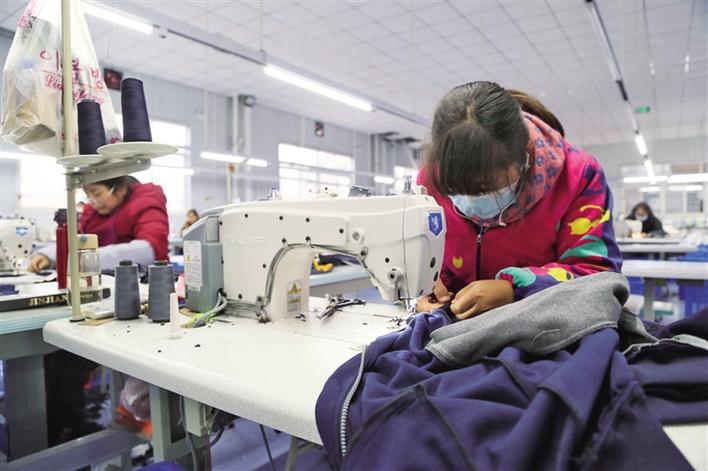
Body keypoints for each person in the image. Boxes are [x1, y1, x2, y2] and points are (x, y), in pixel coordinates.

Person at [416, 82, 622, 319]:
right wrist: (426, 281)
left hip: (544, 323)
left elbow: (597, 274)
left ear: (525, 155)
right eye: (455, 188)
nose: (469, 202)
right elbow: (422, 250)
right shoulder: (432, 178)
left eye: (486, 187)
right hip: (458, 324)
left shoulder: (578, 177)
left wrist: (514, 289)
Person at [28, 175, 169, 272]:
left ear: (120, 189)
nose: (92, 201)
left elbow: (149, 250)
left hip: (145, 282)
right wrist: (49, 255)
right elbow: (80, 242)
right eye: (88, 195)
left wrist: (77, 260)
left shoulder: (146, 203)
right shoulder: (93, 214)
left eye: (97, 194)